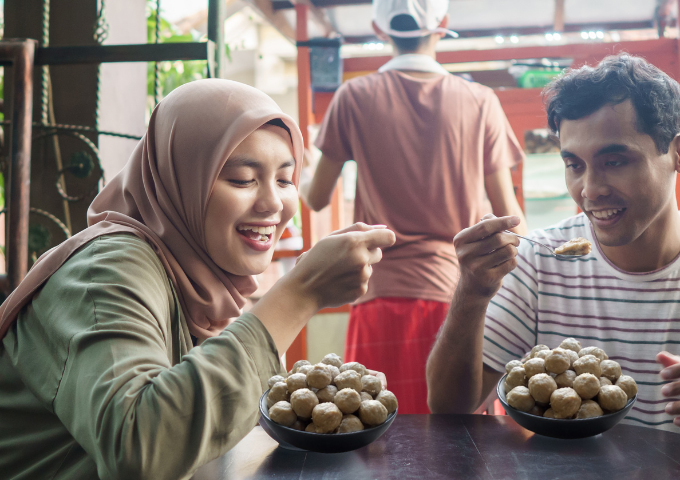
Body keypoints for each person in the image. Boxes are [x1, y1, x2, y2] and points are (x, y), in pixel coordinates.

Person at [426, 55, 680, 477]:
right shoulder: (536, 261)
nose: (590, 190)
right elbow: (450, 409)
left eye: (615, 161)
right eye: (574, 165)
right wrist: (470, 293)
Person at [0, 79, 395, 480]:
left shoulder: (202, 287)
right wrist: (299, 295)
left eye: (285, 180)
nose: (273, 203)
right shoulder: (105, 271)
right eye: (243, 179)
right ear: (179, 181)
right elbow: (140, 449)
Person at [304, 0, 527, 414]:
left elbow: (315, 198)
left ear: (378, 27)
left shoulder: (352, 96)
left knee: (374, 429)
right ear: (442, 24)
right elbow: (512, 218)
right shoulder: (480, 100)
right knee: (459, 443)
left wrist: (293, 171)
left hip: (379, 294)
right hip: (460, 300)